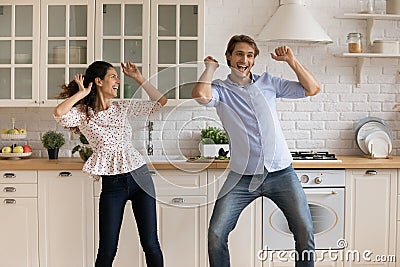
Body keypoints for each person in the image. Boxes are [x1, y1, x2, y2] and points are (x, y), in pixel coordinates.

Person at [192, 34, 320, 267]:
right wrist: (210, 68)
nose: (245, 59)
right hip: (242, 176)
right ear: (229, 56)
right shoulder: (220, 89)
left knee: (304, 229)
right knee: (217, 234)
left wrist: (292, 61)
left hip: (281, 172)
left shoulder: (269, 83)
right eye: (239, 54)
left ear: (254, 60)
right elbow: (201, 95)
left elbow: (312, 89)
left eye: (250, 55)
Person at [54, 60, 167, 267]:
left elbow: (160, 102)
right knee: (107, 249)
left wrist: (139, 77)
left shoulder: (122, 107)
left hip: (140, 177)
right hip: (113, 184)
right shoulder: (83, 114)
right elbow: (59, 113)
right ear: (98, 81)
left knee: (151, 244)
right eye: (113, 76)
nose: (118, 81)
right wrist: (81, 93)